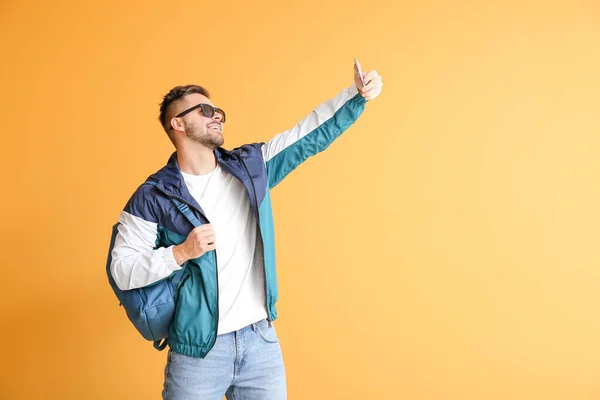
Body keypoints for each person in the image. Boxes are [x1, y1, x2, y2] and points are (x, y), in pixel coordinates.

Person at [108, 62, 383, 400]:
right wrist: (180, 253)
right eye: (205, 110)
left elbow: (307, 135)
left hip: (261, 343)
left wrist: (355, 96)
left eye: (218, 111)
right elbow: (121, 270)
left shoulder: (250, 169)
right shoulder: (151, 197)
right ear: (177, 123)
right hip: (198, 354)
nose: (217, 116)